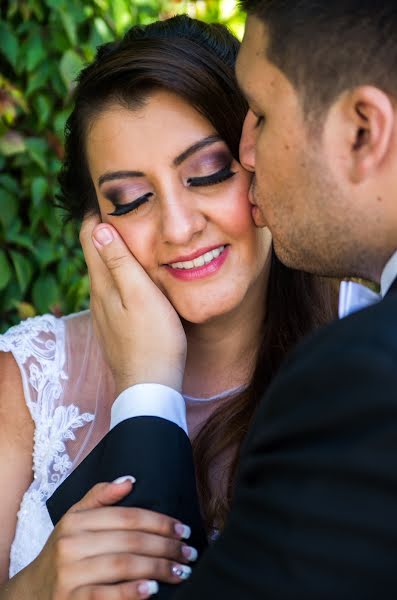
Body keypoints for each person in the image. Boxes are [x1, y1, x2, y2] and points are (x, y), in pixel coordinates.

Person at [49, 1, 397, 598]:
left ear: (364, 129)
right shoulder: (32, 374)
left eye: (213, 169)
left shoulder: (362, 372)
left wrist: (148, 387)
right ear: (94, 225)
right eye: (130, 199)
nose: (180, 228)